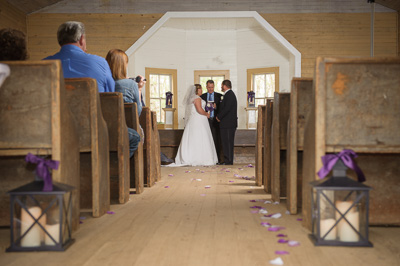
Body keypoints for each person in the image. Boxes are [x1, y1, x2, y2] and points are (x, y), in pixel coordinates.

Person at [44, 21, 115, 93]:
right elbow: (110, 96)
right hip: (92, 104)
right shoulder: (101, 63)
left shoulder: (42, 65)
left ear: (60, 40)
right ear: (81, 39)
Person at [105, 49, 141, 158]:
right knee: (137, 137)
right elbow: (137, 112)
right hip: (124, 127)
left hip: (104, 126)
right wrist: (138, 90)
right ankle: (121, 164)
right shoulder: (130, 84)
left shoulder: (102, 82)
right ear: (123, 65)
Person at [171, 84, 218, 166]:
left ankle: (189, 156)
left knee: (192, 137)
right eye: (201, 89)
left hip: (193, 120)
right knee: (200, 137)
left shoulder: (191, 98)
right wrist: (207, 114)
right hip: (198, 120)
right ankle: (199, 158)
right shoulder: (197, 98)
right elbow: (199, 110)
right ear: (197, 90)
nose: (202, 91)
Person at [201, 80, 223, 164]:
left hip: (215, 121)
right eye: (209, 87)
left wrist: (216, 106)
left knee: (215, 139)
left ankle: (216, 158)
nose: (210, 89)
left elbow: (222, 108)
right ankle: (206, 158)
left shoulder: (219, 96)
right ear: (206, 87)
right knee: (205, 139)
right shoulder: (202, 96)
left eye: (212, 87)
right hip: (205, 120)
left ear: (214, 87)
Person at [216, 80, 237, 165]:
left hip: (228, 124)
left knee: (228, 143)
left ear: (225, 86)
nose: (221, 87)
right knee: (225, 143)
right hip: (227, 124)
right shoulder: (228, 95)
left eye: (222, 86)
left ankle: (228, 161)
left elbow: (227, 108)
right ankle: (226, 160)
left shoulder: (230, 95)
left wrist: (219, 116)